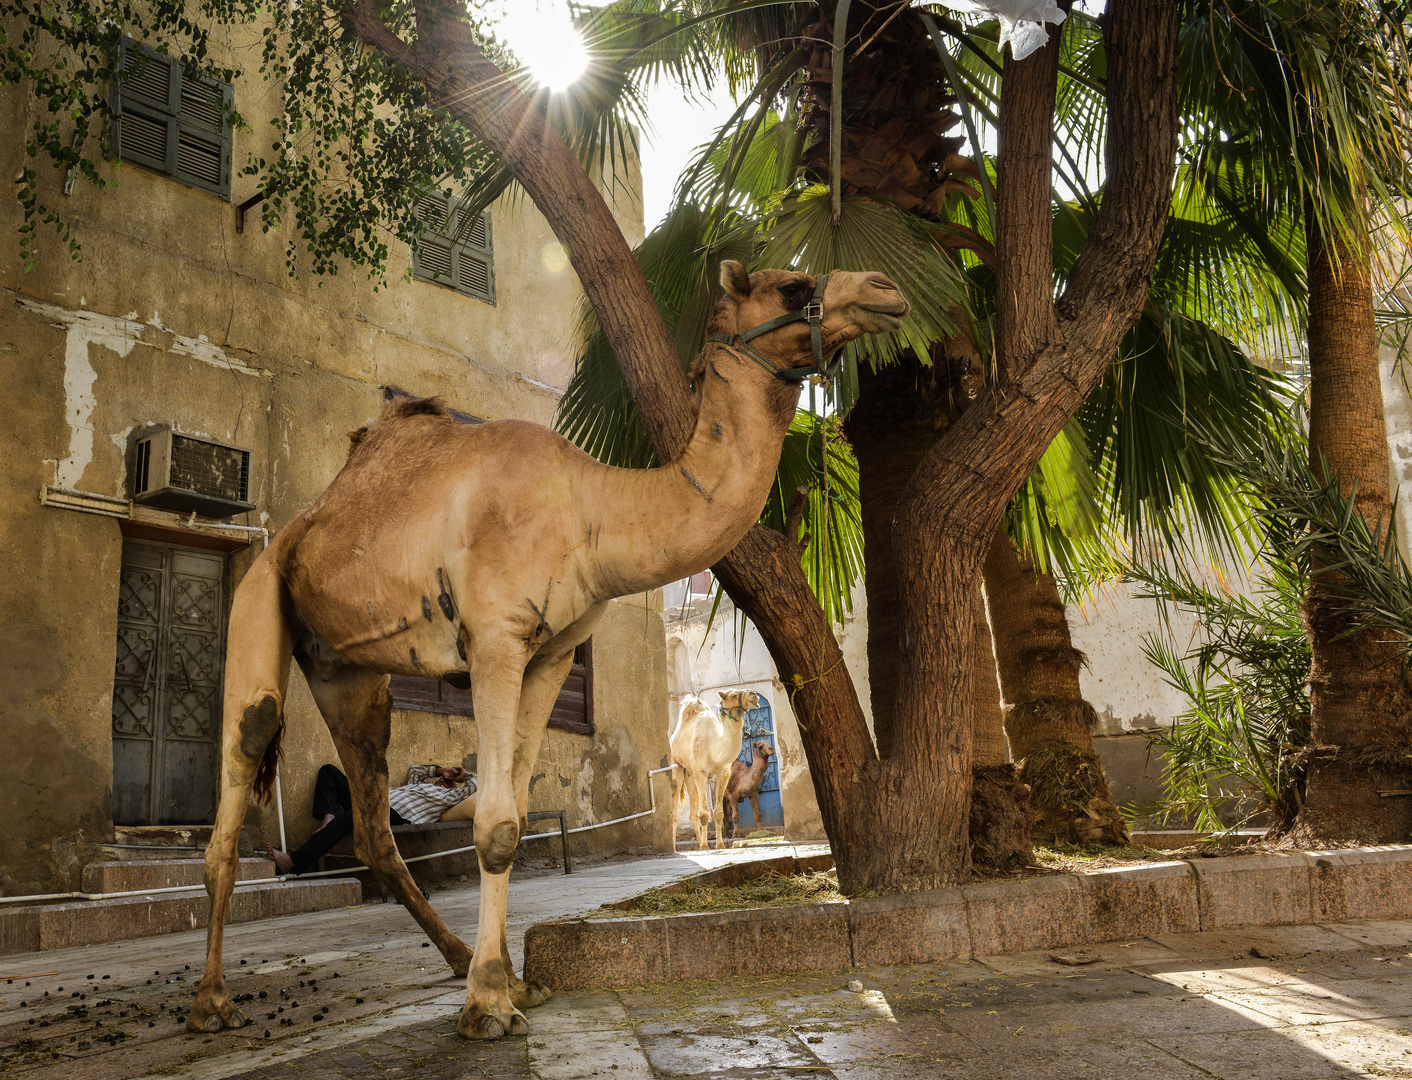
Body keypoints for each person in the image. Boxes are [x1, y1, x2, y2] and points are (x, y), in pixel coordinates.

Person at [265, 762, 476, 876]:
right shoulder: (419, 785)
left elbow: (474, 787)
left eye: (448, 782)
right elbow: (416, 770)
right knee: (329, 772)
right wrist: (441, 770)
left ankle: (293, 861)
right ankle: (328, 816)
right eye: (442, 779)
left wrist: (462, 776)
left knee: (347, 819)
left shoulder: (447, 797)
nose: (443, 781)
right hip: (373, 799)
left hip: (395, 814)